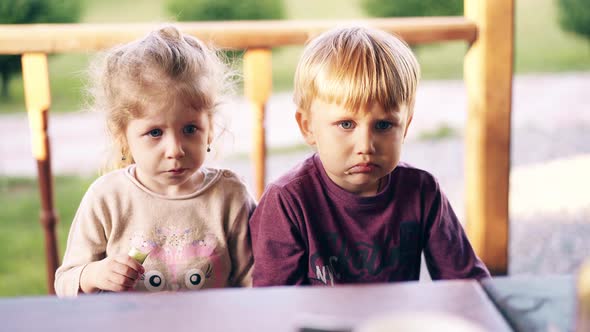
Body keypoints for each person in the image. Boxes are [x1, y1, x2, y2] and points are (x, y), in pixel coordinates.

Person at [249, 25, 490, 286]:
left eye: (384, 125)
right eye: (346, 125)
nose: (366, 146)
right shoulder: (287, 201)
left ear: (405, 126)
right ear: (308, 126)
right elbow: (275, 305)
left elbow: (467, 284)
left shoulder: (422, 191)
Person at [55, 26, 255, 296]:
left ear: (210, 128)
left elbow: (254, 281)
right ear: (123, 137)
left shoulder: (230, 195)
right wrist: (94, 274)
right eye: (155, 133)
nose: (175, 149)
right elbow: (65, 282)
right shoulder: (107, 198)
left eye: (190, 129)